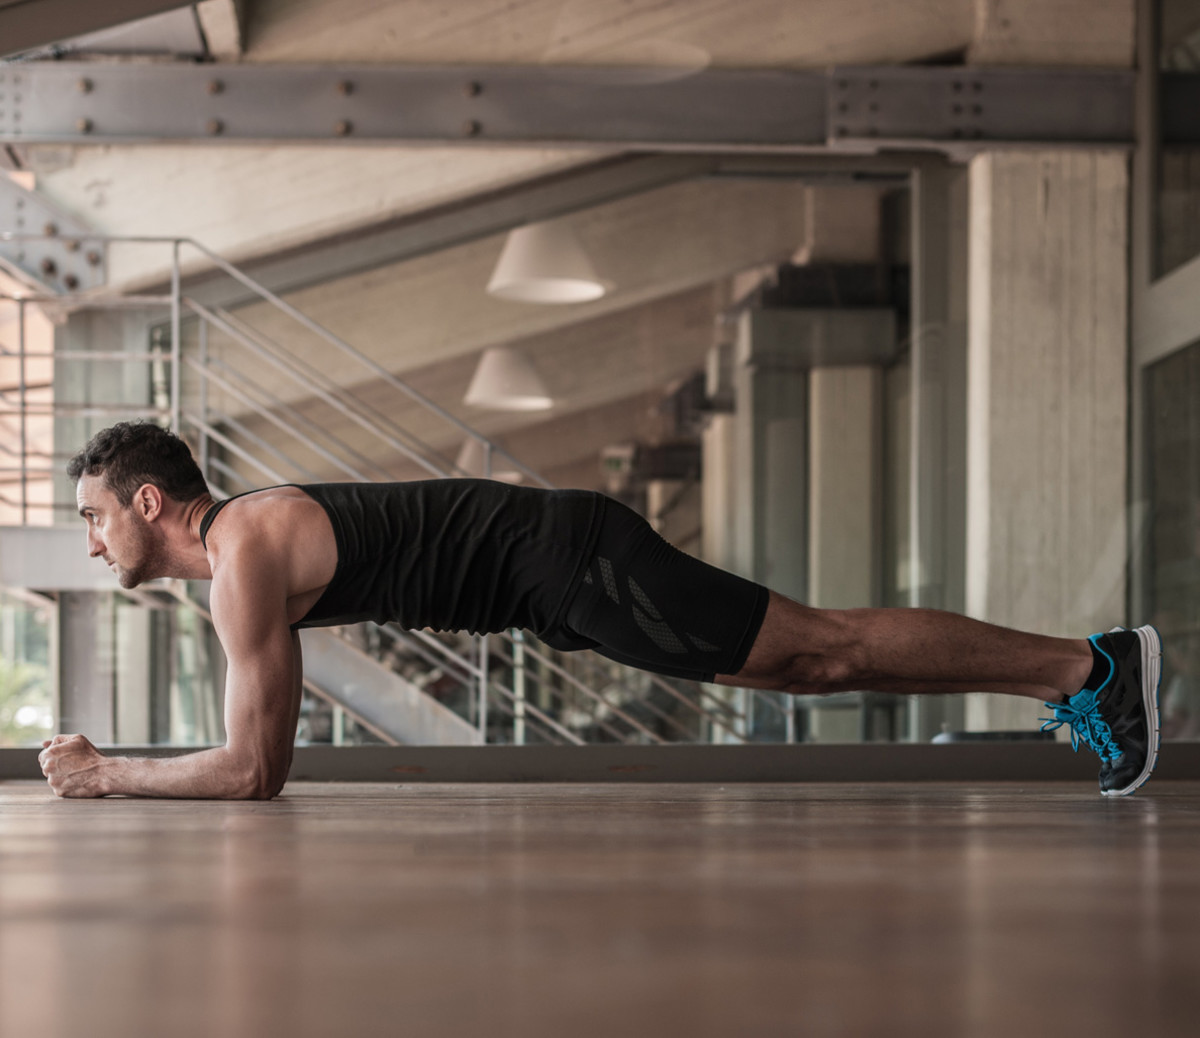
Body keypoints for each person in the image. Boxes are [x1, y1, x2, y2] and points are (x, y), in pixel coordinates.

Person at [39, 421, 1162, 800]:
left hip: (571, 565)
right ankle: (1076, 677)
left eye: (95, 516)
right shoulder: (245, 543)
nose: (91, 540)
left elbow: (253, 772)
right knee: (809, 662)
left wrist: (107, 773)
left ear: (149, 501)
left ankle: (1090, 667)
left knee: (819, 651)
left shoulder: (242, 554)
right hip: (559, 578)